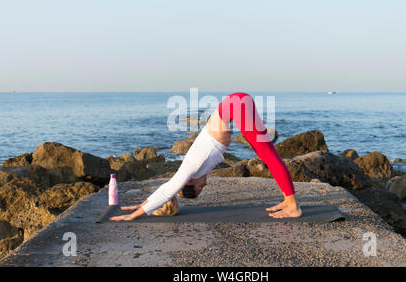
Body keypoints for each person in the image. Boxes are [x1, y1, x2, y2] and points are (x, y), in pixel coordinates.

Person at [110, 92, 302, 221]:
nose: (206, 184)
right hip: (236, 103)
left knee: (269, 157)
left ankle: (293, 206)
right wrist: (142, 204)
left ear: (190, 181)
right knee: (266, 153)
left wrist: (133, 215)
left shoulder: (190, 169)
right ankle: (288, 200)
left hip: (236, 105)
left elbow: (167, 190)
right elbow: (166, 188)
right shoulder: (191, 171)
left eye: (200, 186)